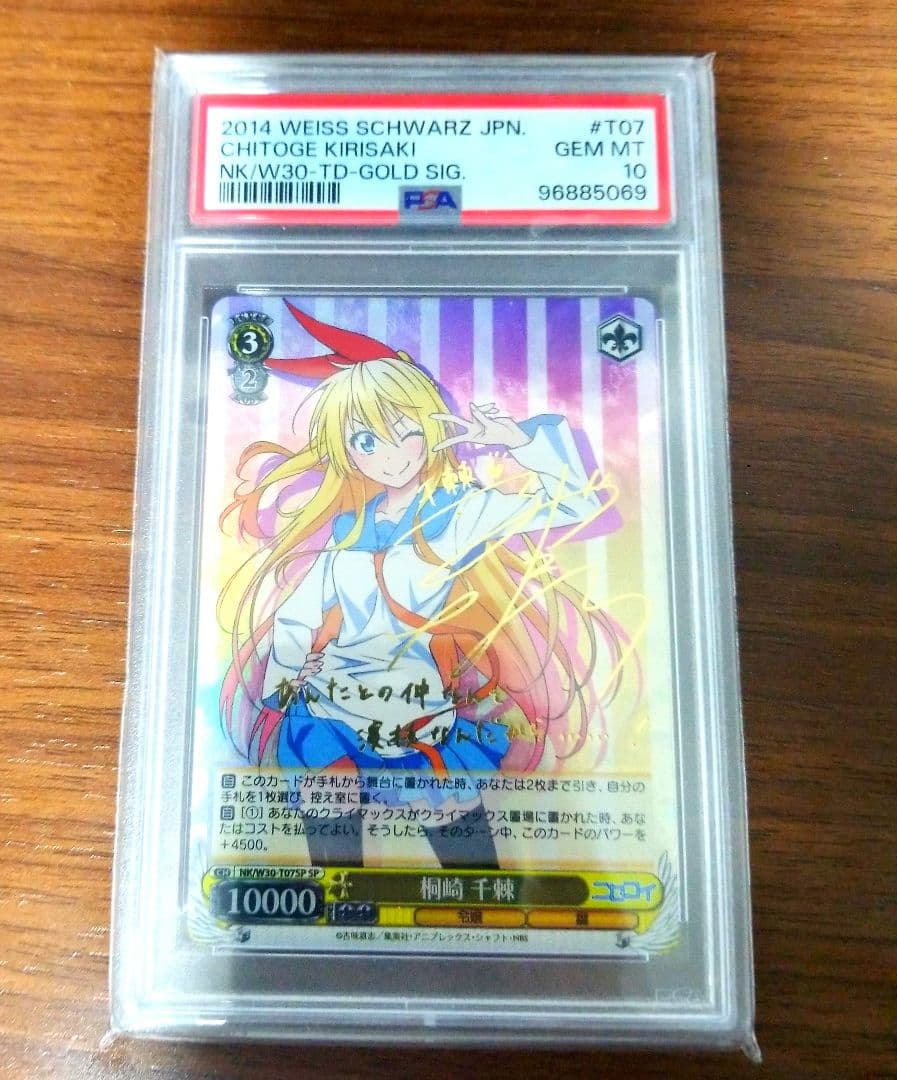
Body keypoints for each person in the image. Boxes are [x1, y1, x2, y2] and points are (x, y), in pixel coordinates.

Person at [219, 303, 629, 867]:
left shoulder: (459, 514)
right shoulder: (349, 528)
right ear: (346, 449)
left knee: (469, 869)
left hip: (417, 715)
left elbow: (575, 503)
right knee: (336, 875)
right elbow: (299, 611)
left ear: (431, 429)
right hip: (330, 709)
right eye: (366, 441)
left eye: (406, 433)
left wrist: (516, 440)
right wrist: (288, 674)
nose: (390, 455)